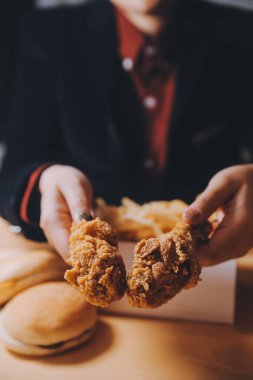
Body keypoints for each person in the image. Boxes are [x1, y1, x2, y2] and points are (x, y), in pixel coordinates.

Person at [0, 0, 253, 265]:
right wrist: (45, 178)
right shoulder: (48, 33)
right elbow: (16, 167)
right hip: (82, 259)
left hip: (214, 262)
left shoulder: (241, 35)